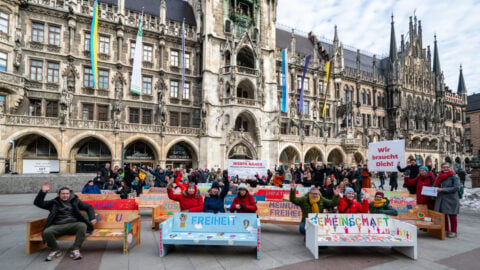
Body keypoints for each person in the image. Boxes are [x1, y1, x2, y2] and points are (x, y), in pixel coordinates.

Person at [34, 182, 96, 261]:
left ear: (70, 194)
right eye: (63, 193)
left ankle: (75, 249)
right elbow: (38, 203)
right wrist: (43, 191)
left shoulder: (75, 201)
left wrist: (92, 217)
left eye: (67, 193)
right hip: (58, 225)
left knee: (82, 225)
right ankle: (55, 250)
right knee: (46, 232)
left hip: (73, 224)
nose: (65, 195)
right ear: (58, 194)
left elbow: (88, 207)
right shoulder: (53, 203)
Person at [434, 163, 460, 238]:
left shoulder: (454, 176)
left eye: (447, 167)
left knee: (452, 215)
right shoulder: (439, 176)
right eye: (444, 167)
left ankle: (453, 231)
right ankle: (446, 230)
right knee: (443, 216)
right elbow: (435, 185)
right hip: (441, 199)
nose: (446, 168)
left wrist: (442, 189)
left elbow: (456, 188)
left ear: (450, 167)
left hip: (451, 199)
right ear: (441, 168)